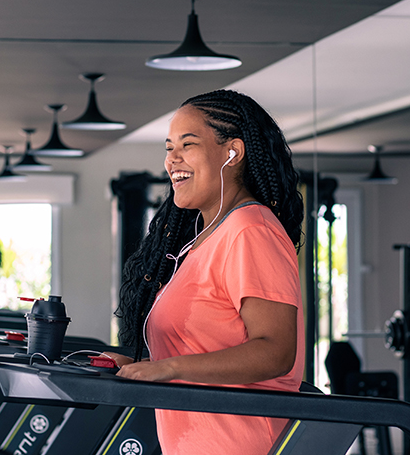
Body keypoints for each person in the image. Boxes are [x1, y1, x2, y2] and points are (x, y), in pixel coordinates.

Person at [112, 90, 305, 455]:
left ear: (232, 152)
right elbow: (208, 347)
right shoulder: (204, 239)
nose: (173, 159)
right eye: (169, 147)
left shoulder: (250, 230)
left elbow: (276, 351)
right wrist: (143, 365)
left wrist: (168, 368)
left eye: (188, 144)